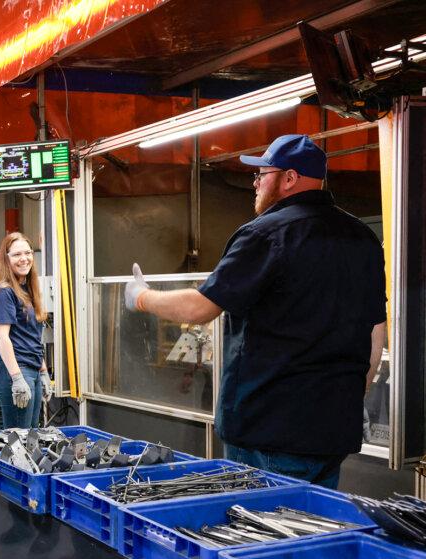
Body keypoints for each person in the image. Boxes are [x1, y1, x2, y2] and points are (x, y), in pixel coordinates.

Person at [125, 134, 386, 489]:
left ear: (289, 178)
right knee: (314, 532)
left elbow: (200, 308)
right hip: (332, 431)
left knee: (264, 534)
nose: (255, 183)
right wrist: (354, 392)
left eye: (261, 174)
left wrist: (142, 297)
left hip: (270, 431)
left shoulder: (266, 234)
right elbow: (376, 332)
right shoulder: (362, 239)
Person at [0, 232, 51, 429]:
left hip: (32, 369)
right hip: (15, 371)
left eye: (28, 253)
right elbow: (2, 337)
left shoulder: (26, 290)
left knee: (30, 437)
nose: (24, 259)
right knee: (18, 441)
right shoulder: (4, 292)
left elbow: (32, 337)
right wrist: (17, 378)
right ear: (6, 259)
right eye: (17, 254)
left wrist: (43, 370)